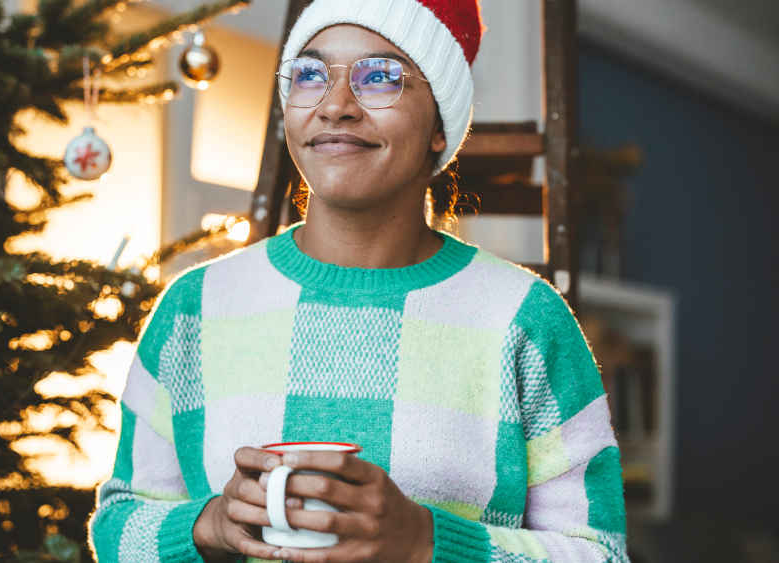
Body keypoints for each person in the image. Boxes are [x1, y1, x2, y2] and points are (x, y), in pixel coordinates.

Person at [88, 1, 629, 561]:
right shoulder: (192, 309)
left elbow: (601, 553)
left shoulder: (526, 320)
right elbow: (118, 524)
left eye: (380, 77)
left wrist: (424, 541)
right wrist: (209, 526)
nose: (335, 106)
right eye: (309, 74)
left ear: (440, 127)